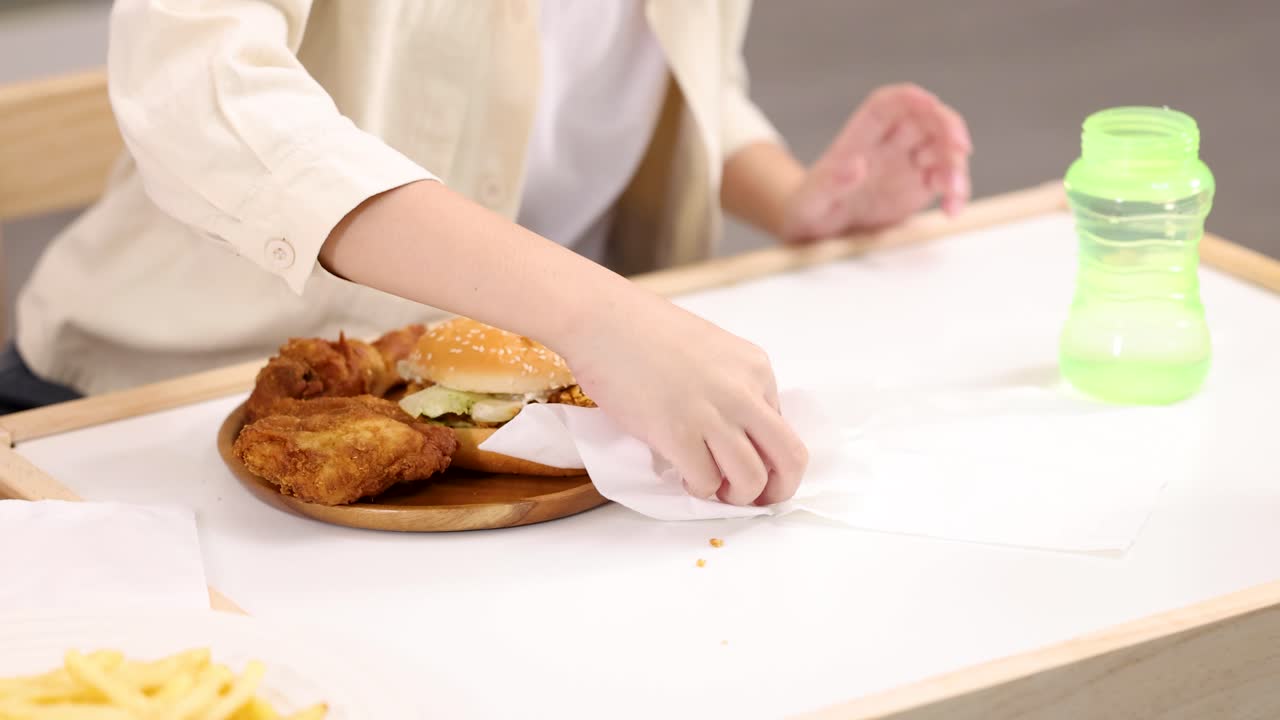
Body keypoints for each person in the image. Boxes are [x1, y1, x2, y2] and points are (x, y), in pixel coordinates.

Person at [7, 0, 972, 506]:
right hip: (144, 412)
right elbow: (198, 89)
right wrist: (597, 312)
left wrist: (797, 194)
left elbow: (673, 72)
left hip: (520, 430)